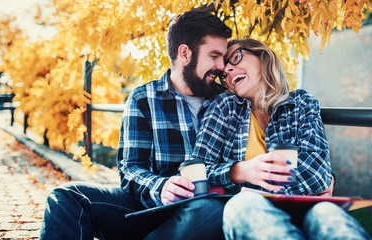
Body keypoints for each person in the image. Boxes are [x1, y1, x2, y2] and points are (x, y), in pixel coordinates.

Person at [40, 10, 232, 240]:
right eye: (214, 56)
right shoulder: (144, 98)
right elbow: (130, 168)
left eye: (223, 57)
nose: (222, 66)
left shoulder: (228, 101)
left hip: (204, 209)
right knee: (65, 196)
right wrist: (161, 188)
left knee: (209, 211)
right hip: (151, 209)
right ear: (185, 53)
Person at [186, 38, 372, 239]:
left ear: (262, 56)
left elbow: (317, 174)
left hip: (307, 208)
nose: (228, 71)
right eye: (223, 74)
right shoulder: (225, 107)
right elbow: (199, 173)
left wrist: (251, 185)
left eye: (235, 57)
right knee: (243, 205)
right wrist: (239, 171)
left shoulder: (301, 103)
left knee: (327, 214)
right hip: (250, 212)